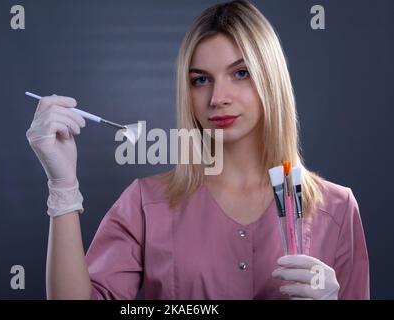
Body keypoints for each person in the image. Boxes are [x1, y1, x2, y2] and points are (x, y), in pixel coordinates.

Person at [26, 0, 369, 300]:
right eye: (201, 80)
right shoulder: (146, 204)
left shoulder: (337, 210)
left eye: (241, 73)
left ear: (272, 79)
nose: (218, 97)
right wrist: (63, 185)